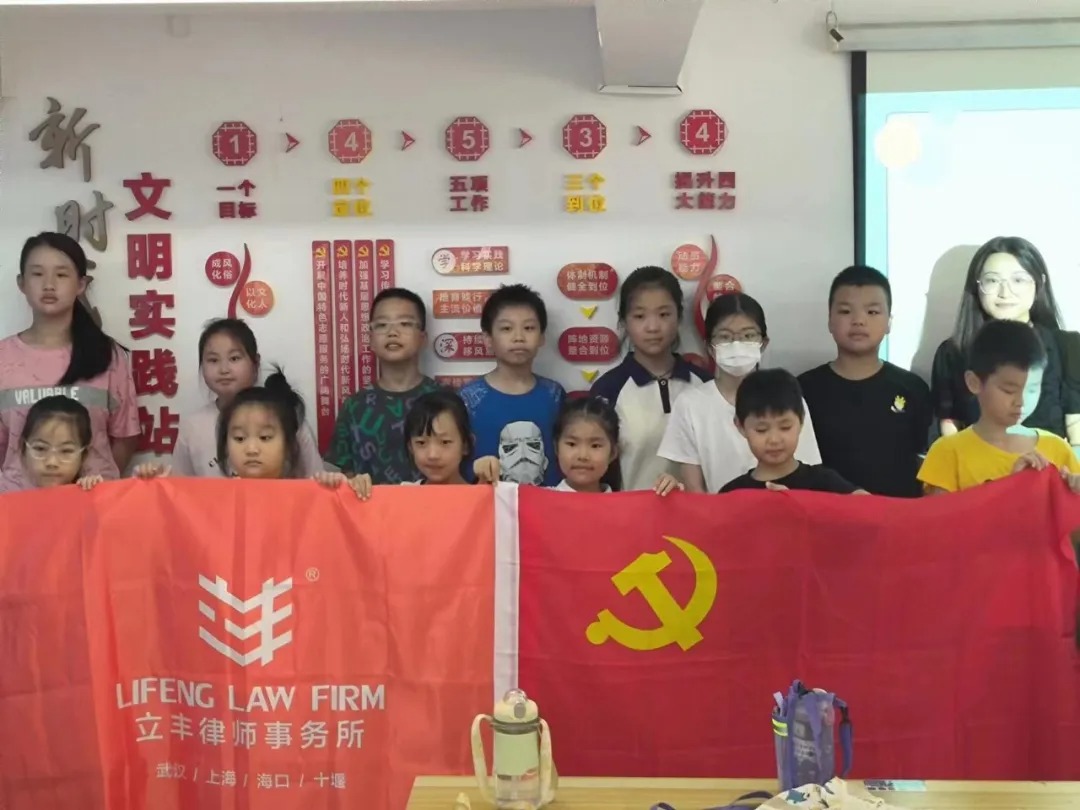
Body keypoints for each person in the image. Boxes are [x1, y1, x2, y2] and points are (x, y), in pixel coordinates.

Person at [0, 233, 139, 491]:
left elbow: (125, 437)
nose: (49, 284)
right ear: (21, 283)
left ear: (81, 284)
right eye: (37, 274)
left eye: (62, 275)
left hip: (91, 503)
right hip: (17, 505)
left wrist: (97, 484)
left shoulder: (107, 355)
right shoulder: (3, 357)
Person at [659, 293, 821, 493]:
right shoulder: (690, 405)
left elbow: (809, 474)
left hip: (782, 509)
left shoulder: (788, 398)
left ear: (763, 343)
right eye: (725, 337)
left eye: (748, 336)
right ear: (709, 347)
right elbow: (695, 489)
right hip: (720, 511)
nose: (737, 344)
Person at [930, 236, 1080, 450]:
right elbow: (950, 429)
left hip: (1049, 467)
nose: (1004, 293)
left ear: (1039, 283)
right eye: (992, 281)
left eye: (1018, 280)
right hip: (979, 467)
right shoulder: (953, 352)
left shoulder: (1068, 347)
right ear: (977, 286)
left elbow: (1077, 435)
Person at [799, 266, 931, 497]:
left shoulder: (913, 388)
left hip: (897, 513)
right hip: (827, 513)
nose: (859, 321)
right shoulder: (802, 390)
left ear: (889, 322)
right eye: (845, 311)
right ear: (830, 320)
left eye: (872, 312)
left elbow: (924, 461)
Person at [139, 371, 365, 497]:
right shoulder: (213, 497)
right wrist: (151, 482)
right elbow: (175, 507)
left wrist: (339, 488)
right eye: (239, 438)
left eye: (265, 437)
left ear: (288, 445)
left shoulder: (309, 493)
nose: (251, 449)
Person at [919, 320, 1080, 494]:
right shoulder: (948, 453)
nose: (1021, 401)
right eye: (1009, 390)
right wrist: (1009, 487)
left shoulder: (1057, 449)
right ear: (974, 383)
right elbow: (941, 511)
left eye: (1032, 389)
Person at [591, 266, 709, 491]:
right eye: (640, 316)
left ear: (679, 317)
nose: (653, 327)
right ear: (624, 321)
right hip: (628, 511)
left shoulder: (704, 384)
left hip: (697, 511)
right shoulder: (608, 389)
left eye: (664, 314)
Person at [169, 319, 323, 477]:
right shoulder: (192, 427)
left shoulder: (286, 415)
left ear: (255, 363)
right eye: (213, 360)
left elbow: (315, 480)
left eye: (234, 358)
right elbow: (178, 487)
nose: (224, 369)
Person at [325, 288, 441, 483]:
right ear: (370, 339)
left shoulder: (444, 400)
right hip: (368, 503)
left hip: (432, 502)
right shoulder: (355, 406)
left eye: (405, 323)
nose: (392, 333)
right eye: (382, 325)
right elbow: (342, 474)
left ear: (423, 338)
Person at [460, 284, 565, 486]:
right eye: (506, 329)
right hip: (485, 502)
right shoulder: (468, 398)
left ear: (542, 337)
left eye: (529, 328)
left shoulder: (554, 395)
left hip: (547, 502)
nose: (519, 337)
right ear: (488, 338)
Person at [719, 369, 863, 494]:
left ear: (801, 421)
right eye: (761, 430)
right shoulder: (732, 494)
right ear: (740, 426)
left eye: (785, 427)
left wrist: (797, 503)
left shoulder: (825, 483)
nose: (774, 440)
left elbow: (868, 507)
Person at [6, 396, 105, 491]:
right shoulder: (7, 496)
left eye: (66, 451)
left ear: (83, 455)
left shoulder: (89, 490)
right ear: (23, 449)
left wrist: (96, 490)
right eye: (40, 448)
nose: (52, 462)